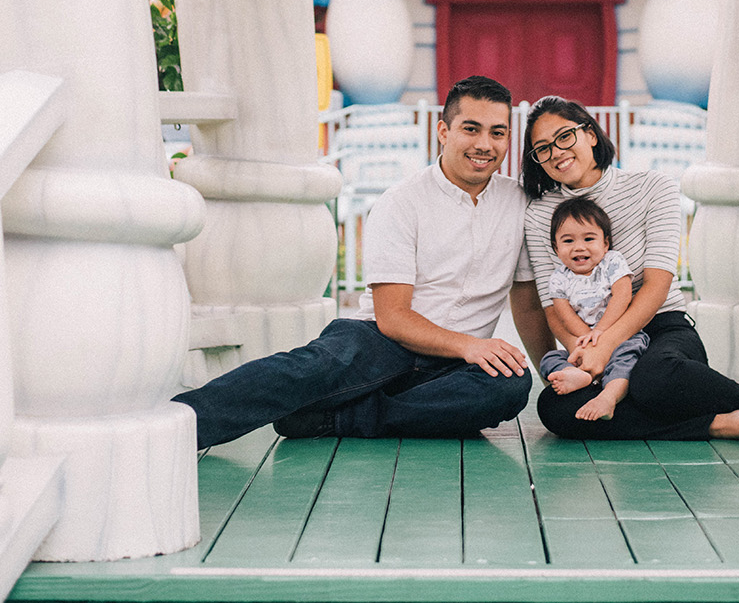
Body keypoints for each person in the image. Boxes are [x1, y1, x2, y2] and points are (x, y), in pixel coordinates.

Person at [173, 76, 551, 447]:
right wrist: (468, 345)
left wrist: (551, 373)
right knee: (310, 369)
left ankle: (337, 417)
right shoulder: (401, 202)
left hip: (454, 368)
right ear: (443, 131)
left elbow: (528, 304)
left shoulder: (519, 204)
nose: (485, 144)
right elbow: (393, 317)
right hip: (380, 341)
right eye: (471, 129)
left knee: (510, 385)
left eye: (497, 132)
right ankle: (179, 427)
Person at [523, 97, 739, 445]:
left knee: (654, 382)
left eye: (564, 137)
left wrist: (606, 346)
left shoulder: (653, 186)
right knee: (554, 409)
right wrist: (585, 355)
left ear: (590, 134)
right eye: (542, 149)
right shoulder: (540, 214)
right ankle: (726, 423)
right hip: (588, 342)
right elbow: (552, 307)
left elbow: (657, 284)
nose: (556, 152)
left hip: (662, 328)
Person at [539, 196, 649, 422]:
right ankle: (577, 375)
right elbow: (564, 314)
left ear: (605, 244)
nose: (579, 247)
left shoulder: (612, 261)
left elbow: (623, 295)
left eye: (589, 238)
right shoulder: (558, 278)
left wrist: (601, 331)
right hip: (584, 342)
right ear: (556, 248)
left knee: (624, 362)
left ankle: (609, 396)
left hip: (620, 336)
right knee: (550, 359)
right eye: (568, 241)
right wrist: (587, 338)